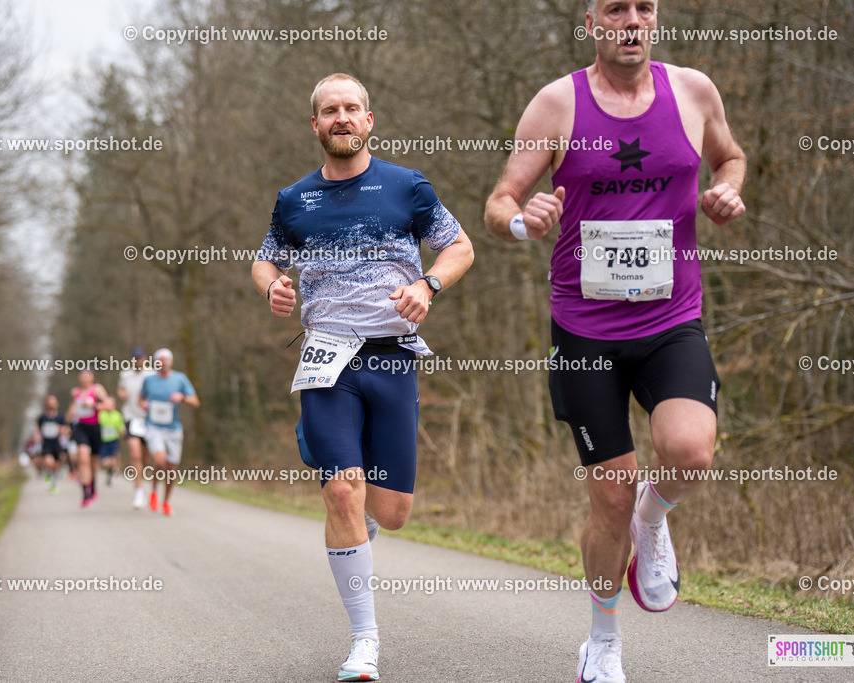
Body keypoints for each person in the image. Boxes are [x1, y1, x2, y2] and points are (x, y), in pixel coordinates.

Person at [484, 2, 746, 680]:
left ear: (654, 18)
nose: (631, 20)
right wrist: (524, 221)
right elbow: (500, 201)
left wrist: (726, 190)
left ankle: (653, 522)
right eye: (615, 8)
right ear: (592, 21)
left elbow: (733, 156)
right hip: (585, 331)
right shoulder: (556, 104)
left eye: (643, 8)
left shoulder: (692, 90)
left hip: (671, 319)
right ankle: (602, 638)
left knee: (690, 452)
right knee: (609, 495)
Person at [252, 73, 474, 682]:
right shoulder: (295, 199)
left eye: (352, 109)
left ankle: (357, 511)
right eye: (330, 111)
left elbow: (460, 247)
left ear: (369, 120)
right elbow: (266, 256)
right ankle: (364, 641)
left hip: (392, 356)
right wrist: (272, 284)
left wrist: (428, 284)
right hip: (326, 356)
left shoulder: (406, 186)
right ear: (315, 125)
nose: (342, 118)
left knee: (393, 511)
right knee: (343, 490)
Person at [139, 348, 199, 517]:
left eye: (166, 360)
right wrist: (143, 404)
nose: (163, 363)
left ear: (171, 362)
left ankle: (166, 502)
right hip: (153, 426)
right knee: (159, 460)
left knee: (172, 468)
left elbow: (195, 402)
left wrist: (182, 397)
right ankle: (153, 492)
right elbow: (140, 398)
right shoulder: (149, 381)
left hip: (173, 428)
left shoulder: (180, 379)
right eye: (160, 360)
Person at [64, 367, 109, 507]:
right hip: (81, 428)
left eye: (87, 375)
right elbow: (70, 413)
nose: (84, 377)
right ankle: (85, 493)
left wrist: (94, 404)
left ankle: (93, 485)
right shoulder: (75, 392)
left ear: (92, 377)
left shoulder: (97, 389)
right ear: (79, 378)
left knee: (93, 462)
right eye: (82, 375)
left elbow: (108, 406)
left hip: (95, 428)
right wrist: (70, 415)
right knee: (83, 457)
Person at [118, 347, 156, 508]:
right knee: (135, 454)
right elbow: (120, 389)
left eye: (140, 358)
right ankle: (138, 492)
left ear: (145, 359)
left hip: (149, 418)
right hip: (131, 417)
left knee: (145, 457)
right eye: (135, 358)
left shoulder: (152, 374)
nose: (137, 361)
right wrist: (122, 394)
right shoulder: (125, 374)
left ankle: (142, 477)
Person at [34, 395, 67, 492]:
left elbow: (67, 429)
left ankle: (53, 482)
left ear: (57, 404)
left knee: (56, 465)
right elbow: (38, 428)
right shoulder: (43, 417)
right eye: (49, 403)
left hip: (57, 444)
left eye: (53, 403)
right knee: (49, 462)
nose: (51, 405)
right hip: (47, 443)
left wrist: (61, 430)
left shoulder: (60, 416)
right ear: (47, 405)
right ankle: (48, 474)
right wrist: (37, 436)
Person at [98, 397, 125, 486]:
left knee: (113, 461)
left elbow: (121, 428)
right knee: (105, 462)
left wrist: (122, 432)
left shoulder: (117, 415)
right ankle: (109, 470)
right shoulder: (101, 414)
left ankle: (110, 473)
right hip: (103, 441)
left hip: (113, 440)